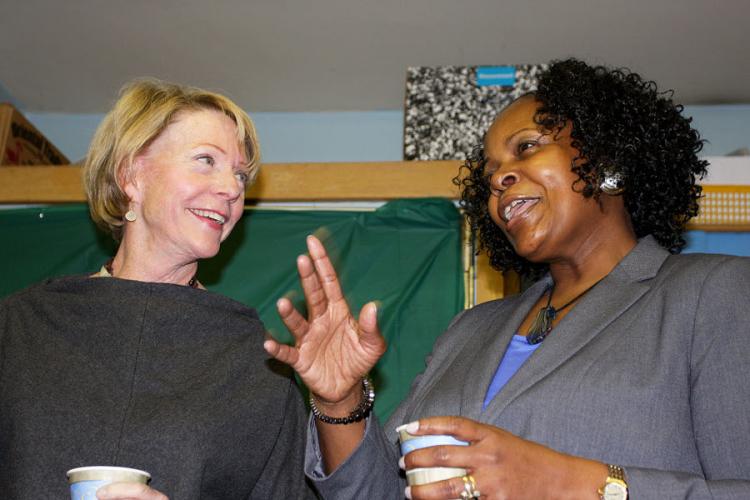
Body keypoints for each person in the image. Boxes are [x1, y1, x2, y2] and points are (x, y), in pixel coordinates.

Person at [265, 58, 750, 499]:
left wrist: (570, 481)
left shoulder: (714, 294)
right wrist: (340, 399)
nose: (498, 178)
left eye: (527, 148)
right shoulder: (470, 330)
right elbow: (376, 493)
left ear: (608, 165)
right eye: (490, 170)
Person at [0, 79, 313, 499]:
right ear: (131, 175)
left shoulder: (258, 362)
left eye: (240, 174)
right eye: (206, 160)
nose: (233, 188)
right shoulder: (20, 328)